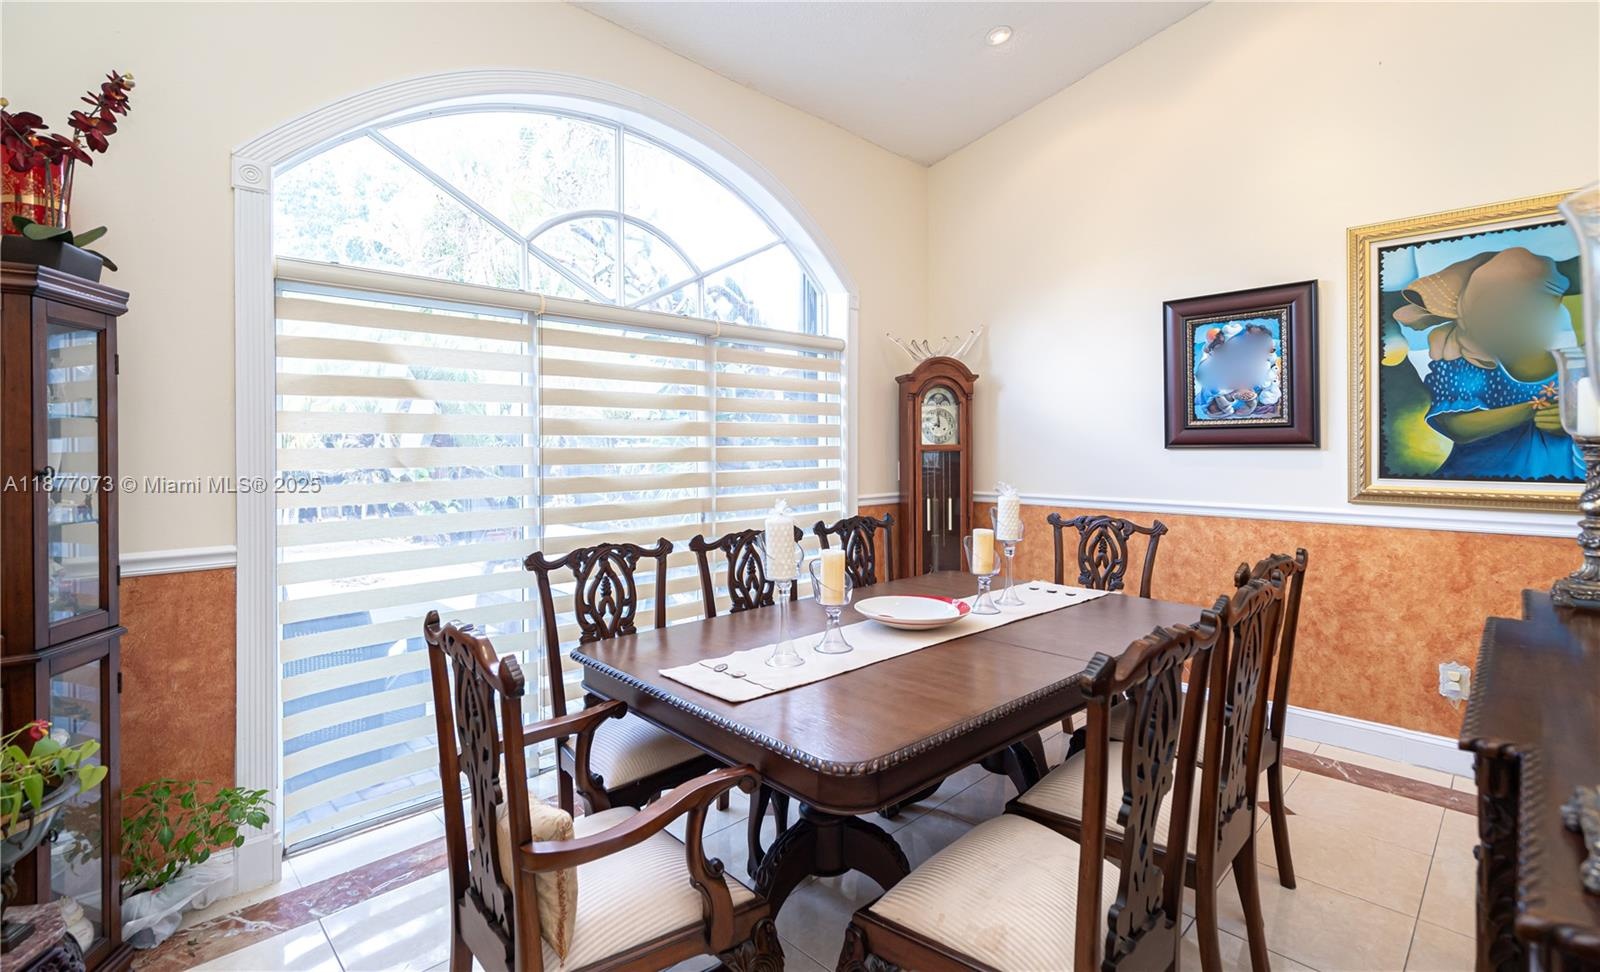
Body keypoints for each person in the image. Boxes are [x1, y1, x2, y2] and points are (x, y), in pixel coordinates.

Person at [1398, 246, 1579, 481]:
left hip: (1565, 485)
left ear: (1553, 303)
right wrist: (1534, 409)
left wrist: (1572, 421)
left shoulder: (1577, 362)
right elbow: (1458, 427)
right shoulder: (1464, 363)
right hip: (1483, 480)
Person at [1193, 321, 1281, 420]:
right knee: (1217, 392)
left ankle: (1244, 406)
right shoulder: (1234, 343)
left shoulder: (1257, 351)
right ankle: (1221, 407)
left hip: (1242, 381)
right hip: (1224, 379)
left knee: (1245, 393)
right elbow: (1220, 364)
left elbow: (1255, 369)